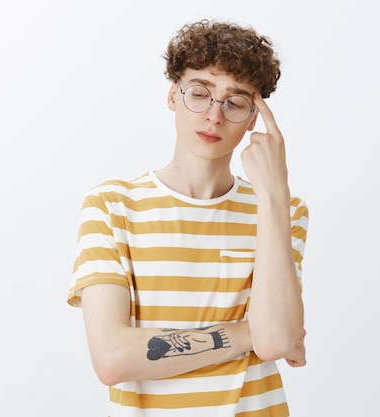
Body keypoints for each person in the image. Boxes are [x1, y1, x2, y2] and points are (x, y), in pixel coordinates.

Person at [67, 18, 309, 417]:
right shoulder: (112, 206)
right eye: (200, 93)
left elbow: (277, 341)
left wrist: (274, 193)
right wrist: (250, 333)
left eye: (235, 102)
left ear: (254, 118)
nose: (214, 116)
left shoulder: (283, 209)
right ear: (173, 97)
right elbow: (112, 359)